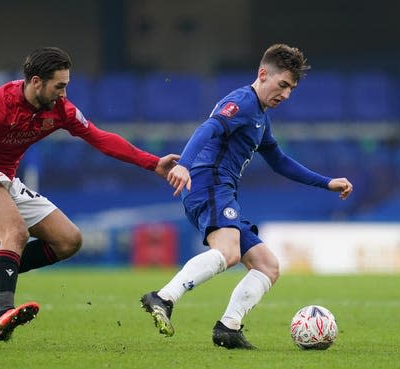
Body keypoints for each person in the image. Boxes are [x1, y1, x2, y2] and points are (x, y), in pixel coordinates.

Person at [0, 46, 179, 341]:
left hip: (5, 179)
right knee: (16, 233)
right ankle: (4, 312)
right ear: (36, 82)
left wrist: (152, 163)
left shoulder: (61, 110)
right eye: (59, 86)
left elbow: (100, 138)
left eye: (67, 86)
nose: (64, 93)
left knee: (68, 240)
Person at [140, 44, 353, 349]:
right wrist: (184, 165)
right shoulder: (242, 101)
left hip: (221, 189)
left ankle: (228, 328)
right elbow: (209, 127)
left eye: (291, 89)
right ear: (263, 74)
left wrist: (327, 182)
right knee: (229, 253)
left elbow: (279, 160)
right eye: (283, 85)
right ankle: (163, 297)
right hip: (209, 183)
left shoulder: (261, 118)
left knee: (267, 265)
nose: (286, 95)